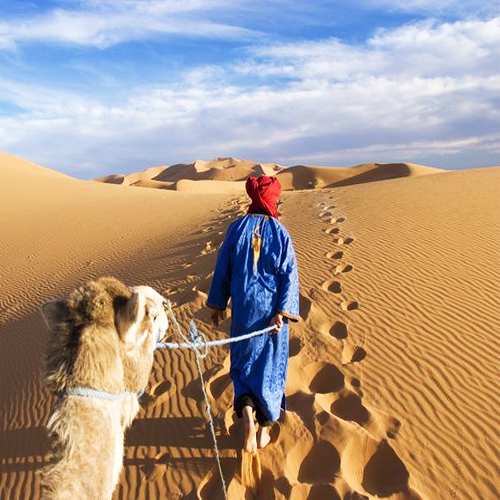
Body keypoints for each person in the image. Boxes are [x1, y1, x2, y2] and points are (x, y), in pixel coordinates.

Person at [207, 175, 300, 454]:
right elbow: (289, 274)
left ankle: (246, 415)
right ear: (273, 200)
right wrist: (283, 311)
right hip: (271, 315)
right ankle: (261, 432)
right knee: (269, 369)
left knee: (243, 365)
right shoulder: (281, 233)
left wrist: (218, 304)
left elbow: (223, 268)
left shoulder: (236, 229)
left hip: (244, 311)